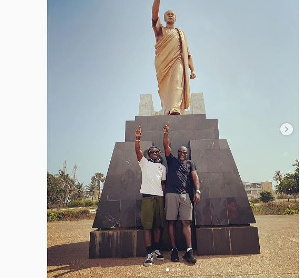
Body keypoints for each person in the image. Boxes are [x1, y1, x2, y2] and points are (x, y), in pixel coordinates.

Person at [162, 122, 201, 264]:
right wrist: (166, 132)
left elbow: (195, 177)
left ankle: (189, 251)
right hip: (171, 194)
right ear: (177, 153)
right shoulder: (171, 160)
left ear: (187, 153)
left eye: (185, 152)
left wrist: (197, 191)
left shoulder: (190, 163)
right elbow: (166, 146)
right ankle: (174, 250)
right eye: (180, 152)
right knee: (171, 222)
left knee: (186, 222)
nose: (182, 154)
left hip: (185, 195)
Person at [152, 0, 197, 115]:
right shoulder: (160, 31)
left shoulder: (180, 33)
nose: (170, 15)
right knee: (165, 89)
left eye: (172, 14)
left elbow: (187, 54)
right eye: (168, 14)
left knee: (177, 82)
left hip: (178, 61)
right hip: (163, 64)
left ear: (175, 18)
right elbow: (154, 14)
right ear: (164, 18)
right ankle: (167, 108)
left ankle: (175, 108)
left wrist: (193, 69)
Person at [135, 125, 166, 266]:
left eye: (157, 151)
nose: (154, 153)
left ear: (159, 154)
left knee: (158, 226)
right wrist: (137, 139)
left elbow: (163, 184)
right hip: (147, 197)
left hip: (159, 198)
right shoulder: (144, 164)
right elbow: (137, 151)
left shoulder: (163, 168)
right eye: (152, 151)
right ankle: (149, 252)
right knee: (147, 226)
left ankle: (157, 250)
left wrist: (163, 198)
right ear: (148, 154)